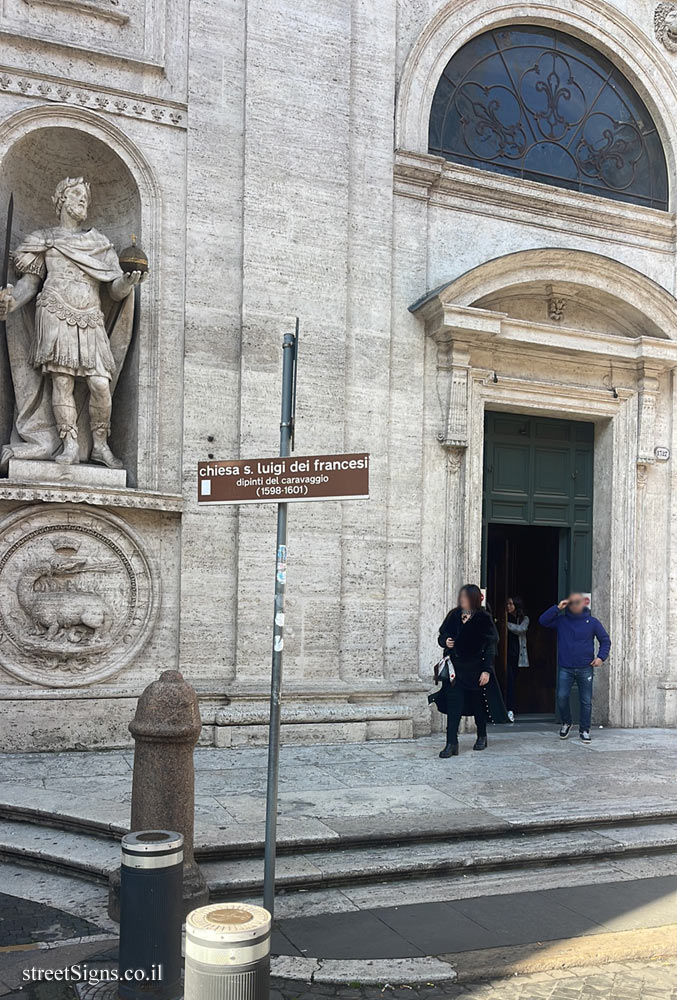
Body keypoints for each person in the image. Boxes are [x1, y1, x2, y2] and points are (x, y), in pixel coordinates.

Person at [0, 177, 145, 469]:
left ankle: (101, 444)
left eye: (86, 198)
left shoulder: (98, 243)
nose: (83, 201)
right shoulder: (43, 239)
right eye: (77, 194)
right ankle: (69, 444)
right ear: (61, 200)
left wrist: (128, 282)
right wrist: (12, 302)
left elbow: (114, 290)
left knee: (100, 383)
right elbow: (30, 283)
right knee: (62, 382)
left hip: (91, 316)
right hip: (54, 312)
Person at [431, 584, 509, 758]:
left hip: (475, 670)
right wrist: (446, 642)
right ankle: (451, 743)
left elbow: (490, 647)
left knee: (478, 705)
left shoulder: (483, 618)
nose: (462, 600)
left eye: (466, 597)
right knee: (453, 706)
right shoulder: (454, 615)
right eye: (461, 597)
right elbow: (442, 636)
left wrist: (487, 671)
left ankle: (482, 735)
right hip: (455, 671)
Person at [539, 594, 611, 745]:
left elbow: (605, 640)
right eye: (572, 603)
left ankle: (584, 730)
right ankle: (566, 722)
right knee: (562, 696)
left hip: (586, 667)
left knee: (586, 701)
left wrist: (600, 657)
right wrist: (557, 608)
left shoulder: (592, 622)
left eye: (578, 603)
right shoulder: (562, 621)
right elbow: (543, 621)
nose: (575, 606)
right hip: (566, 667)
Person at [505, 596, 529, 723]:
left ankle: (511, 709)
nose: (508, 606)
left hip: (517, 657)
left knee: (512, 683)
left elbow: (521, 629)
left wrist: (505, 623)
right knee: (508, 682)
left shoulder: (524, 619)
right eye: (507, 604)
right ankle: (507, 709)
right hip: (505, 656)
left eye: (510, 604)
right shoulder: (504, 616)